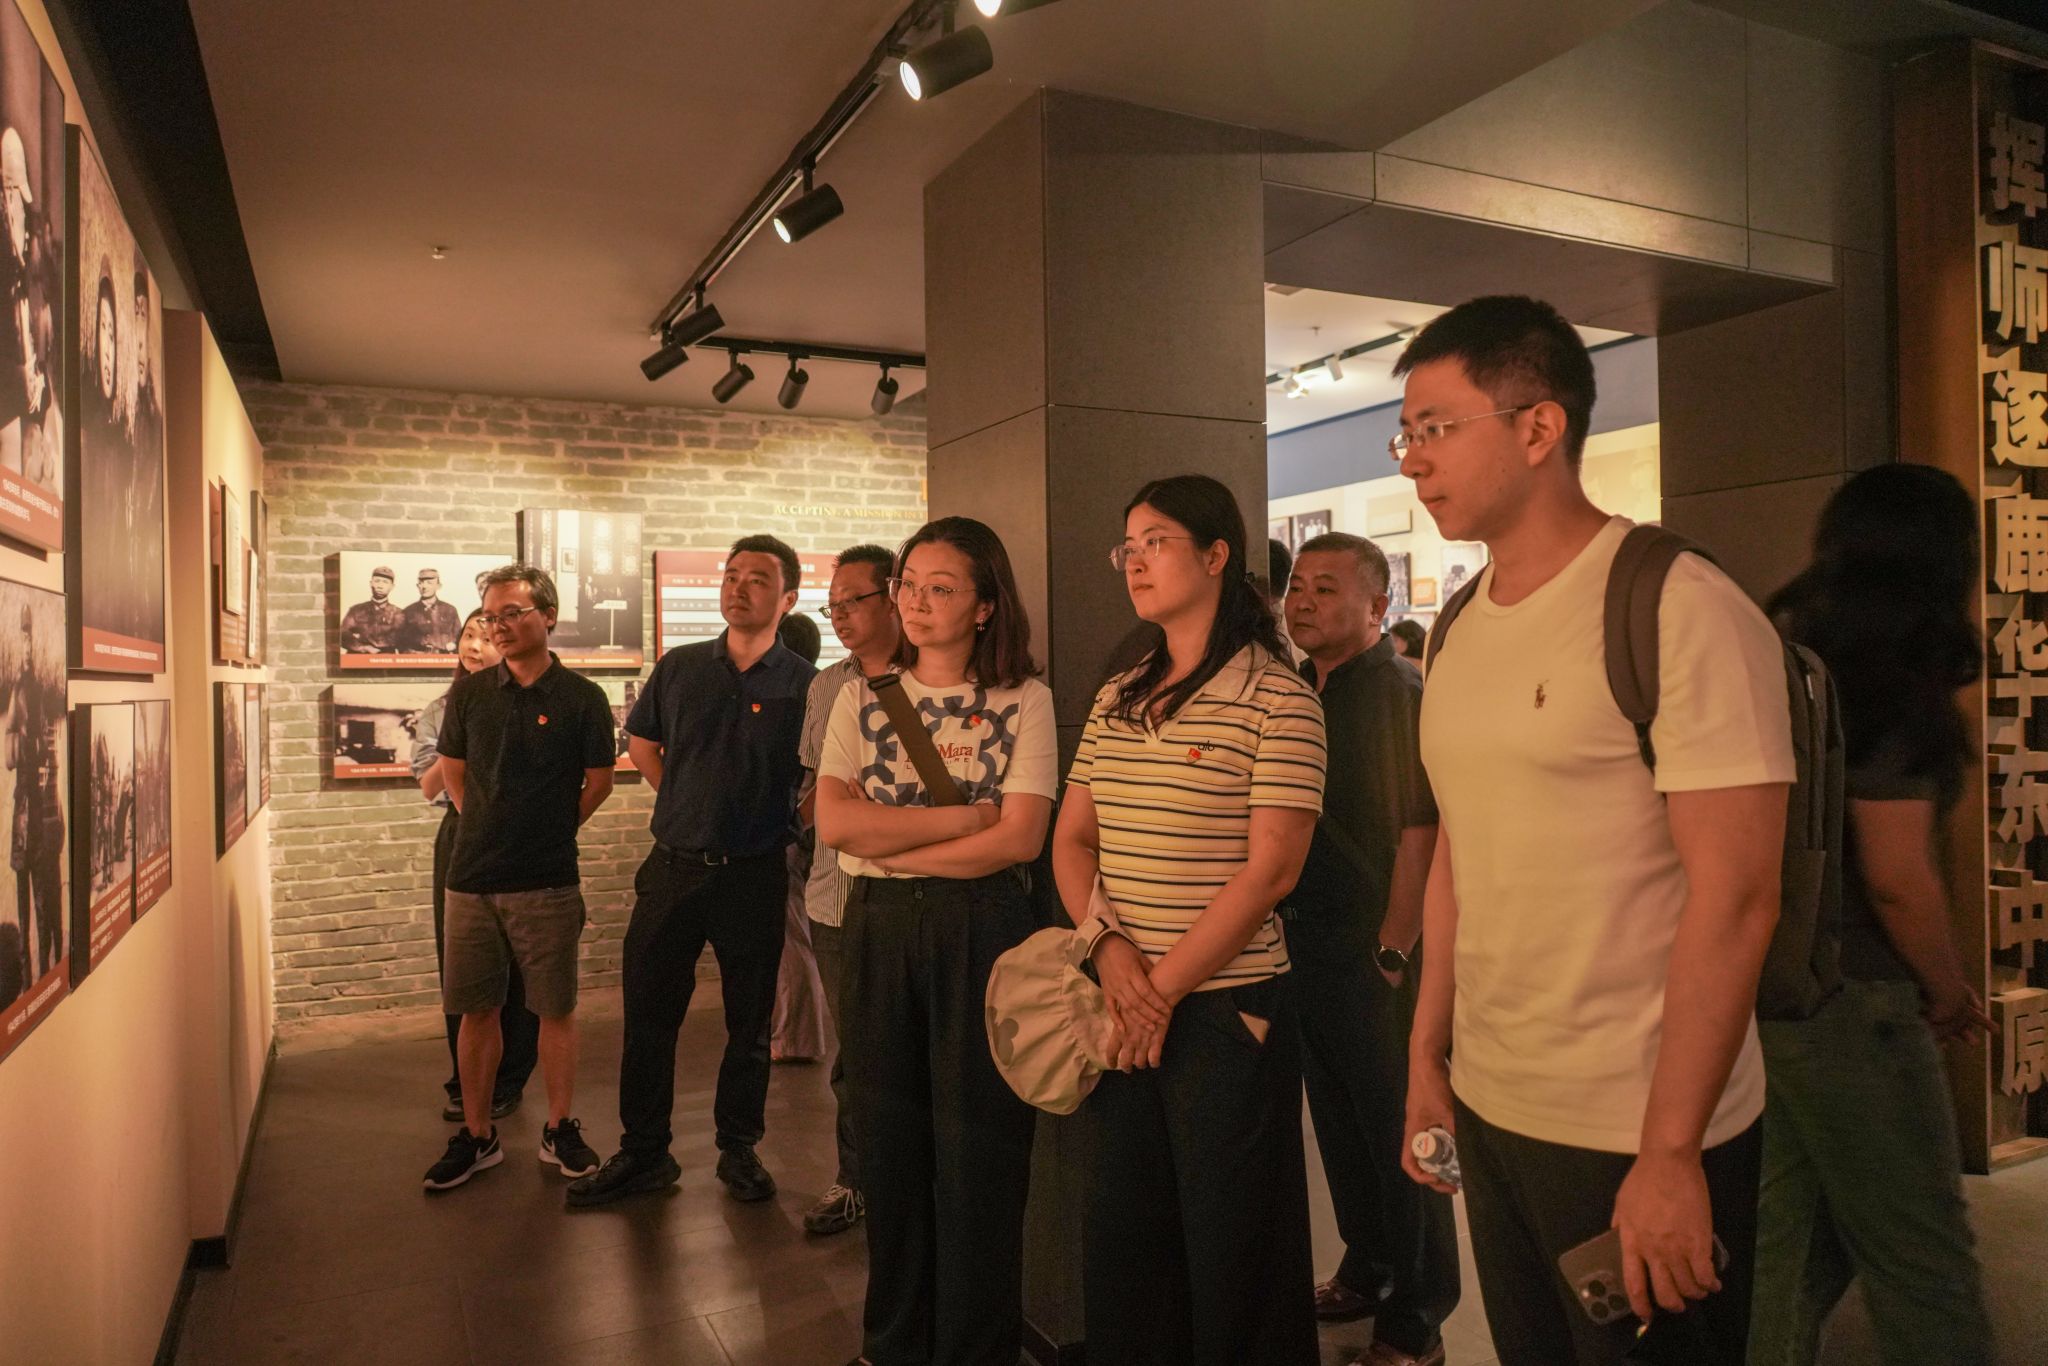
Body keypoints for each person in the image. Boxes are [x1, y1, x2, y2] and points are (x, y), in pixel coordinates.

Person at [1393, 296, 1791, 1366]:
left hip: (1636, 1122)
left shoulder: (1677, 605)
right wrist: (1428, 1051)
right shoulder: (1460, 622)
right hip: (1495, 1098)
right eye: (1405, 434)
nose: (1413, 460)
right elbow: (1459, 852)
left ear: (1538, 427)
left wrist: (1671, 1153)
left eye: (1435, 428)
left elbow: (1738, 897)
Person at [1055, 474, 1327, 1366]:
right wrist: (1110, 954)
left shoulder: (1278, 697)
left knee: (1237, 1246)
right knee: (1127, 1236)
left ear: (1216, 556)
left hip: (1225, 1010)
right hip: (1122, 995)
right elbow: (1072, 840)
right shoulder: (1119, 693)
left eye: (1157, 543)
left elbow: (1271, 870)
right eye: (1127, 547)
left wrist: (1159, 991)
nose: (1135, 562)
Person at [1752, 465, 1995, 1365]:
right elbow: (1897, 878)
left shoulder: (1787, 662)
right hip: (1862, 1002)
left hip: (1777, 989)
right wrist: (1949, 989)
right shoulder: (1893, 688)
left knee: (1787, 1246)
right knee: (1923, 1256)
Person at [816, 517, 1054, 1366]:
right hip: (878, 928)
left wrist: (892, 838)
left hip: (983, 929)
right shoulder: (859, 696)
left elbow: (1021, 840)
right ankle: (893, 1344)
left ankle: (976, 1349)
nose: (915, 603)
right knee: (887, 1145)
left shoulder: (1025, 699)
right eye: (908, 585)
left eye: (940, 588)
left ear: (985, 606)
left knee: (980, 1151)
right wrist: (963, 820)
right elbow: (835, 826)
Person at [568, 535, 815, 1208]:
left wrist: (786, 822)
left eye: (757, 579)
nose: (738, 587)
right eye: (731, 575)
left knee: (748, 1023)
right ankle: (645, 1151)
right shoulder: (681, 667)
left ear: (788, 598)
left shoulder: (804, 684)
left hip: (754, 874)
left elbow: (823, 773)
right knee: (649, 1017)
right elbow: (643, 742)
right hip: (674, 867)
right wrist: (683, 800)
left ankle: (739, 1148)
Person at [1282, 532, 1459, 1366]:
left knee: (1406, 1134)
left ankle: (1420, 1312)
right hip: (1307, 944)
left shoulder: (1398, 692)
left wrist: (1394, 947)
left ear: (1378, 606)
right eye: (1297, 586)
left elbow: (1422, 829)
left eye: (1326, 588)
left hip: (1377, 954)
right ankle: (1368, 1264)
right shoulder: (1299, 691)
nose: (1304, 601)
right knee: (1341, 1123)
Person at [422, 563, 614, 1192]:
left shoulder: (582, 697)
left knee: (554, 1009)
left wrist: (552, 829)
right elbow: (452, 768)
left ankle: (559, 1127)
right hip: (472, 877)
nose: (499, 627)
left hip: (548, 878)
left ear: (548, 616)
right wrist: (482, 823)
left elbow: (599, 781)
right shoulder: (471, 694)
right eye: (490, 616)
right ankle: (478, 1134)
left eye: (512, 613)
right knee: (476, 1009)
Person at [794, 543, 901, 1239]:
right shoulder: (828, 686)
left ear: (893, 599)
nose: (839, 615)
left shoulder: (936, 680)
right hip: (834, 896)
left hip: (913, 891)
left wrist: (871, 807)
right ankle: (857, 1179)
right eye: (831, 605)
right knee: (856, 1054)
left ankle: (911, 1184)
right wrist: (836, 805)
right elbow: (814, 794)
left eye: (852, 601)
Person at [412, 608, 537, 1123]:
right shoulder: (441, 708)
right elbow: (428, 786)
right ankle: (466, 1080)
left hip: (518, 834)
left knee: (520, 964)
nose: (475, 646)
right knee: (461, 965)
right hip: (461, 832)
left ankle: (510, 1078)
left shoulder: (529, 701)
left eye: (486, 638)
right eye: (468, 636)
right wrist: (462, 728)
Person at [771, 609, 830, 1065]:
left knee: (792, 934)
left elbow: (812, 774)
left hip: (795, 829)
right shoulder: (819, 688)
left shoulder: (802, 695)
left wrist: (793, 825)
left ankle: (796, 1038)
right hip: (806, 829)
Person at [5, 605, 59, 983]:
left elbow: (49, 754)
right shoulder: (18, 691)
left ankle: (43, 966)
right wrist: (22, 743)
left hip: (38, 809)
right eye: (22, 641)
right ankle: (27, 966)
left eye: (30, 642)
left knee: (41, 892)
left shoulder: (39, 691)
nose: (26, 649)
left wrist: (36, 747)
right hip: (23, 804)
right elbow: (10, 755)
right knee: (25, 890)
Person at [341, 566, 402, 654]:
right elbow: (342, 633)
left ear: (392, 586)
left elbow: (405, 641)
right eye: (377, 581)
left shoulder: (398, 613)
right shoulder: (356, 610)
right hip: (359, 657)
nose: (380, 586)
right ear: (371, 583)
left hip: (386, 659)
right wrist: (362, 647)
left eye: (385, 582)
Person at [399, 568, 461, 654]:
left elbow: (460, 637)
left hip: (444, 658)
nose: (424, 587)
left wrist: (453, 645)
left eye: (429, 583)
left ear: (438, 586)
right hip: (418, 659)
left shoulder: (450, 610)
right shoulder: (408, 612)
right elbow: (401, 643)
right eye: (421, 583)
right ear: (417, 586)